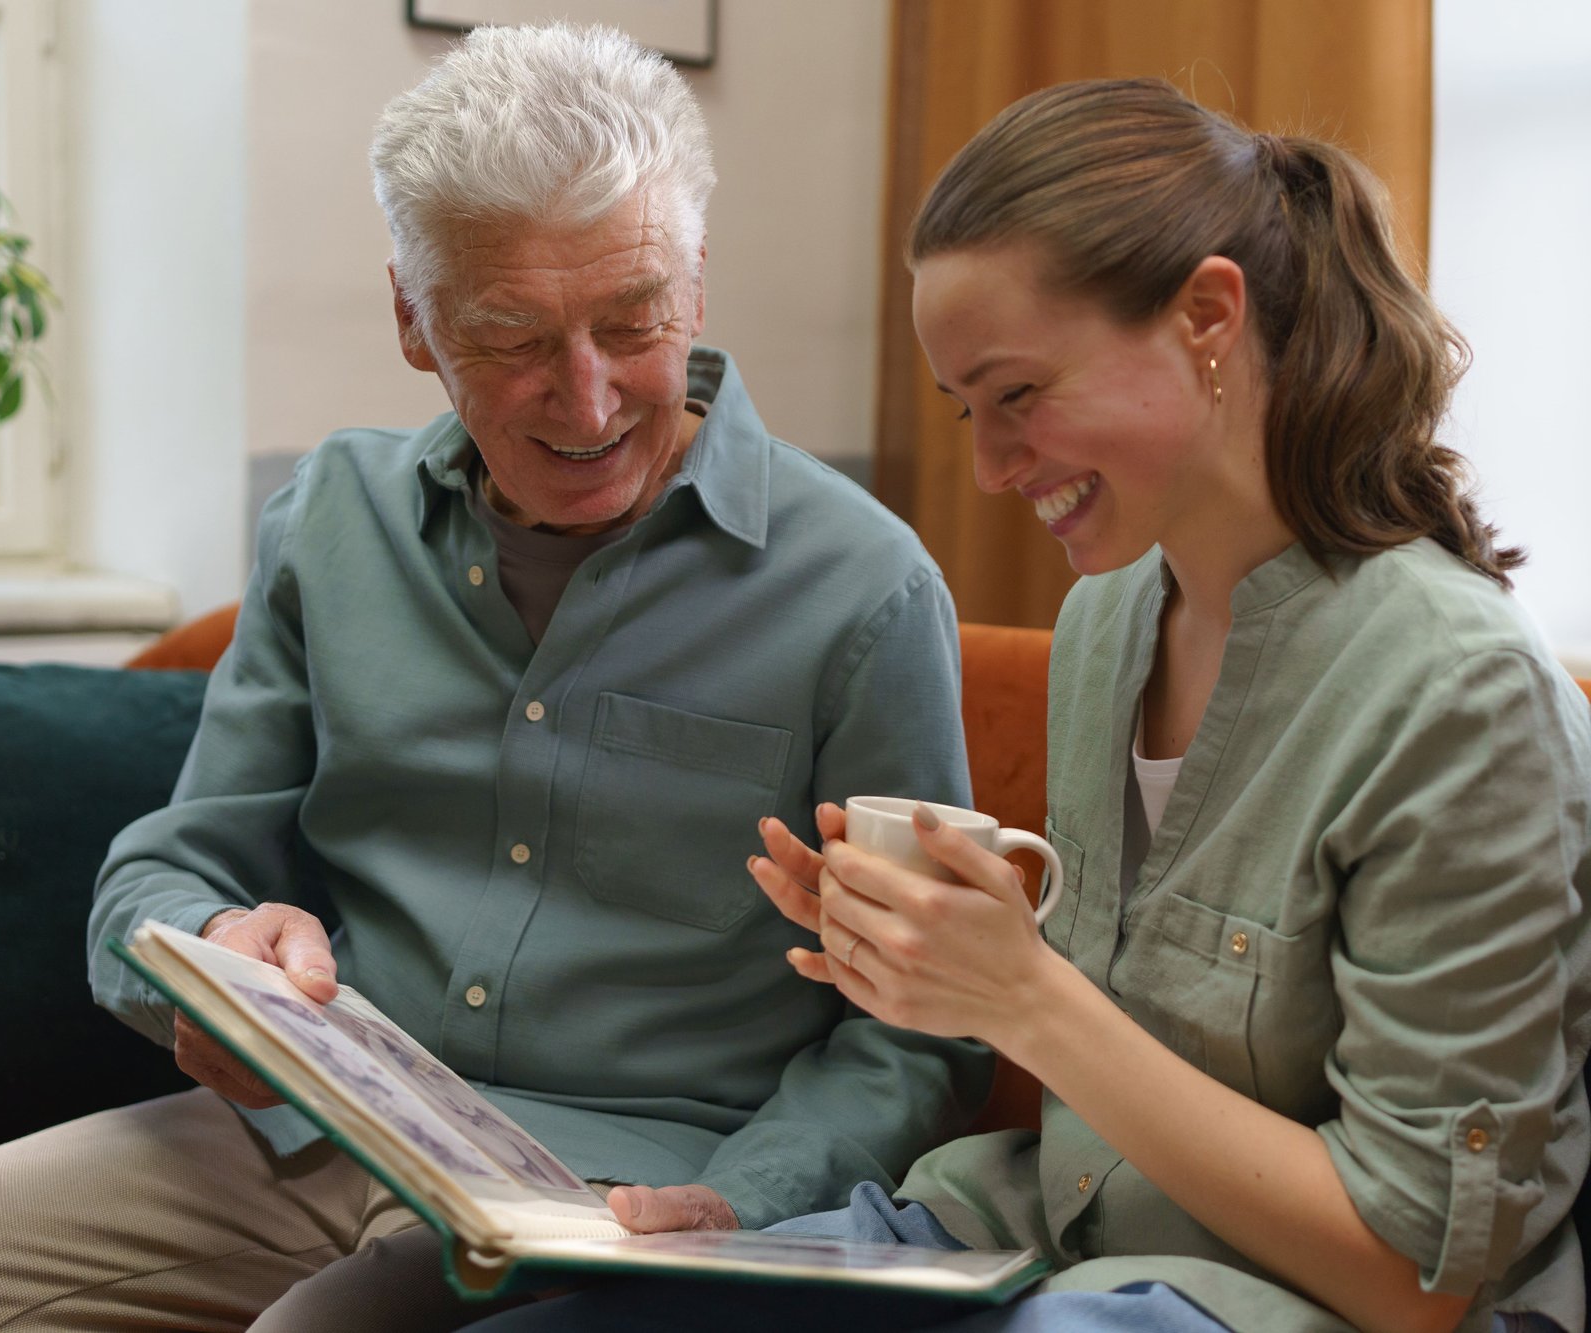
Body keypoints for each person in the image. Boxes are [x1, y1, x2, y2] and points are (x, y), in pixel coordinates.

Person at [0, 23, 987, 1333]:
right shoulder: (331, 520)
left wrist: (752, 1196)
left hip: (629, 1185)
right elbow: (164, 870)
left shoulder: (864, 589)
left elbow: (922, 1030)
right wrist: (216, 956)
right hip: (314, 1128)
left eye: (632, 322)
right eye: (512, 336)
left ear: (695, 284)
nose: (589, 398)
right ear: (413, 318)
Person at [460, 77, 1591, 1333]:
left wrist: (1020, 998)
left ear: (1207, 316)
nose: (991, 469)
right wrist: (925, 960)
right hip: (1041, 1231)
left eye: (1018, 396)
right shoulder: (1109, 621)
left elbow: (1411, 1275)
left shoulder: (1458, 695)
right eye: (964, 410)